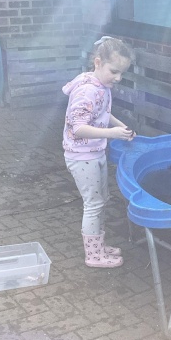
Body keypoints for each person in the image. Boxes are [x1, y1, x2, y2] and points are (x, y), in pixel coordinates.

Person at [62, 36, 136, 268]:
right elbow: (79, 128)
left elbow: (103, 112)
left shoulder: (101, 87)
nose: (118, 78)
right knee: (93, 204)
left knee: (101, 200)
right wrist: (112, 133)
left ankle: (99, 246)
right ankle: (93, 256)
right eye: (114, 71)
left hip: (95, 153)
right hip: (82, 156)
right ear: (97, 63)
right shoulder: (87, 91)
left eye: (122, 73)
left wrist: (121, 126)